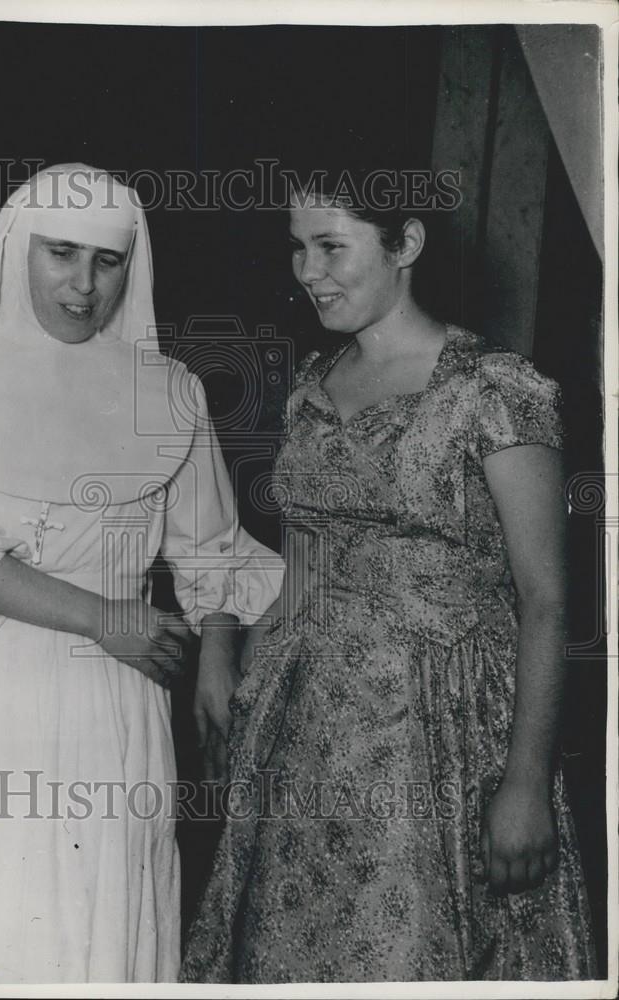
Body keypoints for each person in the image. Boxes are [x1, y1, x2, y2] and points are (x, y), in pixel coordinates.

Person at [0, 163, 282, 984]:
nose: (83, 286)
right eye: (61, 254)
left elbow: (212, 547)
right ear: (17, 250)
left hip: (108, 706)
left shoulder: (169, 392)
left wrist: (216, 664)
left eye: (106, 261)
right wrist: (103, 619)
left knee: (84, 931)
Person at [180, 167, 598, 982]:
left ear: (404, 243)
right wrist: (245, 697)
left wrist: (524, 784)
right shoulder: (309, 386)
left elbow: (546, 599)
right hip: (302, 738)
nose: (308, 272)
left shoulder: (493, 390)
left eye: (332, 247)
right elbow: (299, 565)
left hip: (438, 733)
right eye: (298, 248)